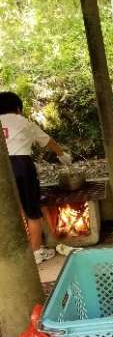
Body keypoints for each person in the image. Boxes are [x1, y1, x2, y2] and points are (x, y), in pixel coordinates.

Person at [0, 92, 72, 264]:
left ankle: (16, 250)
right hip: (21, 166)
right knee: (32, 209)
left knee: (11, 208)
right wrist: (63, 156)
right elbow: (48, 141)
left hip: (2, 167)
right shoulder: (23, 122)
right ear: (18, 108)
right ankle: (36, 252)